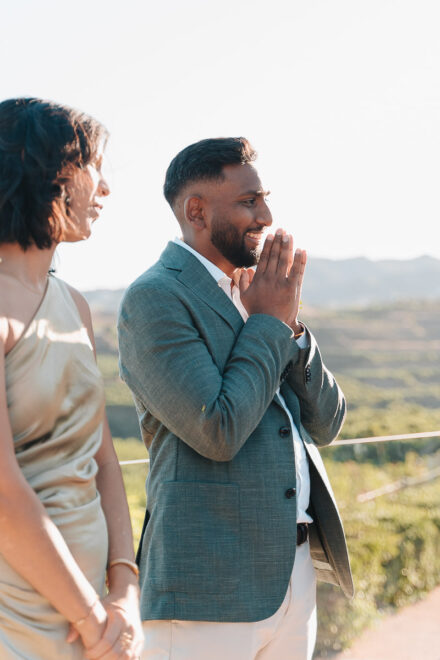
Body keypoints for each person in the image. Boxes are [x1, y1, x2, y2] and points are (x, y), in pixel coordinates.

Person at [118, 137, 353, 660]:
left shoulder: (260, 293)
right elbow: (216, 431)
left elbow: (329, 423)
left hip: (291, 581)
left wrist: (287, 326)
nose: (266, 215)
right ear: (196, 211)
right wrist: (267, 322)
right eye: (249, 201)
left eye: (264, 198)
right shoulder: (156, 297)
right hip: (207, 588)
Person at [0, 98, 143, 659]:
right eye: (95, 168)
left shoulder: (76, 307)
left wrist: (126, 591)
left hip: (100, 621)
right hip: (21, 617)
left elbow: (103, 460)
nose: (105, 189)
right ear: (47, 170)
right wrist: (88, 617)